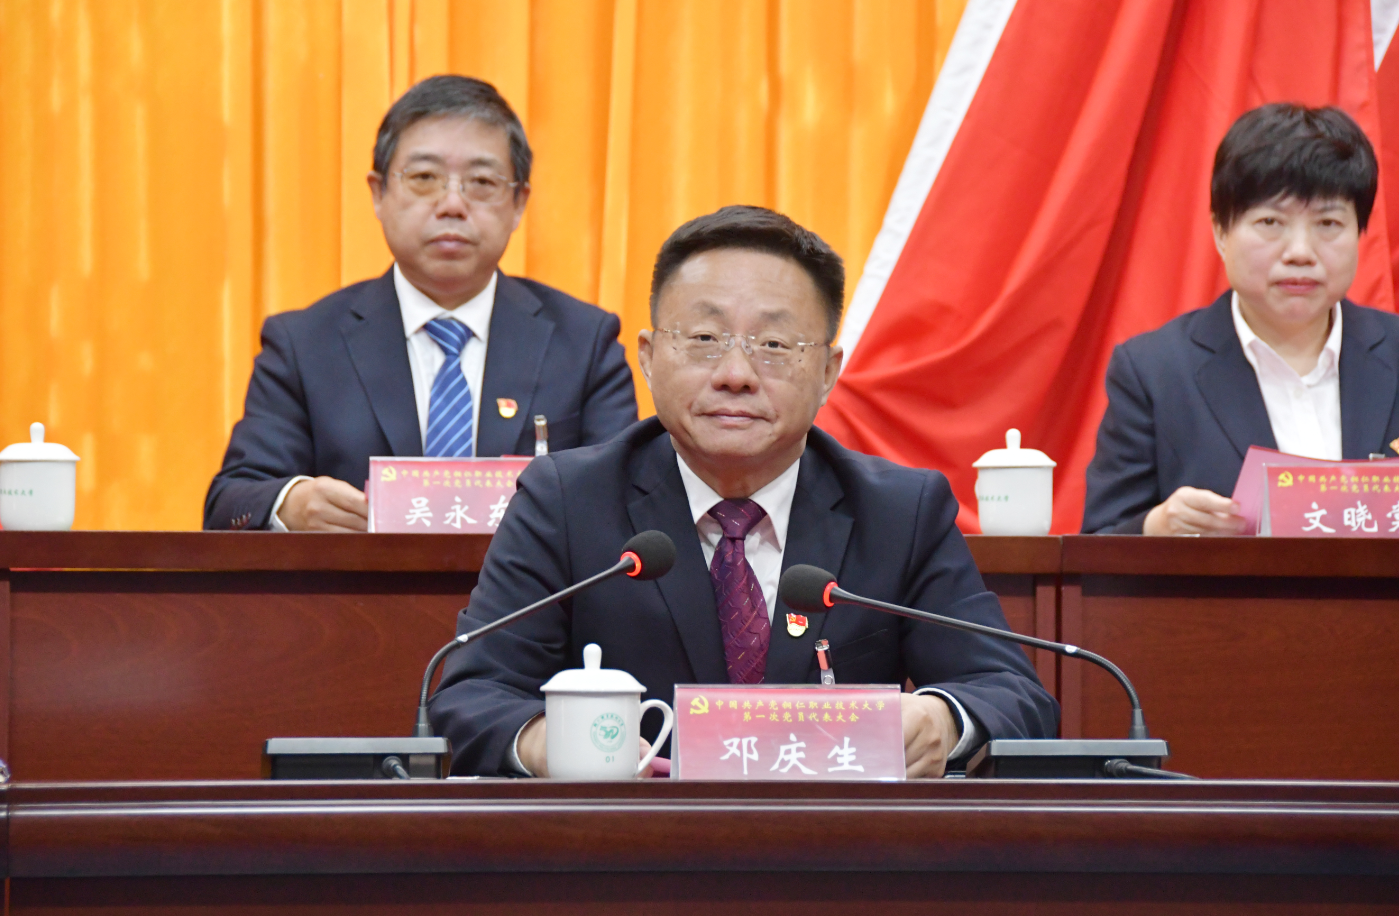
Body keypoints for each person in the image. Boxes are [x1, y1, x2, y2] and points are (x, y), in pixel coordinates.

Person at [429, 205, 1057, 778]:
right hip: (632, 849)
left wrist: (941, 720)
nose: (735, 375)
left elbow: (1013, 694)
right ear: (648, 356)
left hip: (834, 851)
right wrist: (555, 745)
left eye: (775, 346)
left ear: (828, 372)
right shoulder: (567, 500)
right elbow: (471, 695)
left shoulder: (899, 511)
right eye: (704, 340)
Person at [205, 76, 637, 532]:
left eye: (482, 181)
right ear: (378, 193)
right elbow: (229, 502)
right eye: (424, 178)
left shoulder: (584, 343)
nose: (452, 204)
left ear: (518, 204)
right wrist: (290, 504)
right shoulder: (304, 344)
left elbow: (626, 501)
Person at [1083, 103, 1399, 535]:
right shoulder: (1155, 372)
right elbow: (1098, 544)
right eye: (1271, 222)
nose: (1300, 252)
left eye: (1328, 223)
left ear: (1360, 232)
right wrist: (1156, 528)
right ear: (1220, 231)